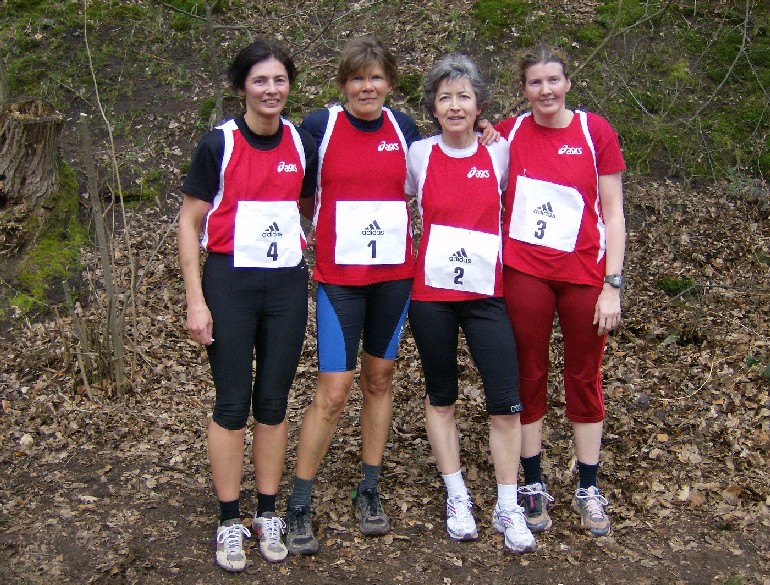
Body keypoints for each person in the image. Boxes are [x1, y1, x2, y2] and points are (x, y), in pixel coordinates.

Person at [178, 40, 318, 571]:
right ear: (242, 88)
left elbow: (304, 203)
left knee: (274, 402)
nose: (271, 90)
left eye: (279, 80)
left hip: (284, 286)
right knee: (233, 402)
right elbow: (190, 224)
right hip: (230, 283)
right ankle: (228, 520)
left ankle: (267, 511)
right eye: (260, 81)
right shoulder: (220, 143)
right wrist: (196, 300)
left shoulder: (301, 142)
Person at [284, 35, 420, 555]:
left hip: (393, 277)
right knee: (334, 390)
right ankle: (299, 499)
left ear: (389, 83)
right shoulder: (320, 127)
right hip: (340, 280)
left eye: (377, 77)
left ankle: (369, 488)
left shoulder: (403, 129)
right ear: (343, 84)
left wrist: (484, 128)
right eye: (358, 78)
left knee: (379, 379)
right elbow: (295, 188)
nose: (368, 86)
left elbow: (445, 159)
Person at [405, 53, 536, 554]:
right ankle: (456, 494)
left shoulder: (499, 153)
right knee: (442, 397)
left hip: (486, 295)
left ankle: (508, 502)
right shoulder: (418, 154)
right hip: (432, 297)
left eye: (464, 96)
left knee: (506, 401)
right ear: (433, 108)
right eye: (445, 98)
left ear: (479, 103)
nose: (455, 105)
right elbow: (400, 199)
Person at [495, 43, 626, 537]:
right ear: (523, 89)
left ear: (567, 83)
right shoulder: (508, 135)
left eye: (553, 80)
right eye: (535, 82)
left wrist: (612, 284)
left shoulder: (595, 132)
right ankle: (531, 481)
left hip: (584, 276)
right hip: (525, 272)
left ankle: (588, 485)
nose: (545, 90)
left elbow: (613, 212)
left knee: (583, 374)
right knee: (528, 373)